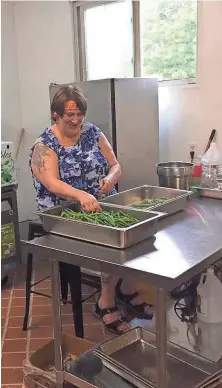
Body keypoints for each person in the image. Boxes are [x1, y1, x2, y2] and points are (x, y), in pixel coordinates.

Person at [30, 85, 154, 335]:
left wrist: (110, 178)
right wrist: (81, 195)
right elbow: (51, 182)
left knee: (133, 231)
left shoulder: (92, 132)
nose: (76, 121)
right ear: (56, 115)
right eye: (69, 116)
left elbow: (115, 164)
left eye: (79, 115)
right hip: (63, 212)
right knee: (110, 241)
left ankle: (127, 288)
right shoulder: (44, 145)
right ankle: (105, 303)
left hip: (100, 202)